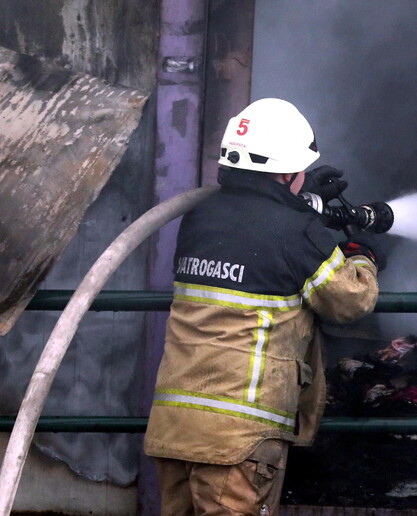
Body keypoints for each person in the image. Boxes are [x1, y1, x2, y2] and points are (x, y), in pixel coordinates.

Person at [144, 98, 385, 515]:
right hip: (238, 434)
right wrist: (362, 257)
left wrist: (301, 199)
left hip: (176, 426)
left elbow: (254, 225)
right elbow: (351, 300)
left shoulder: (200, 218)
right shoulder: (297, 233)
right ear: (288, 171)